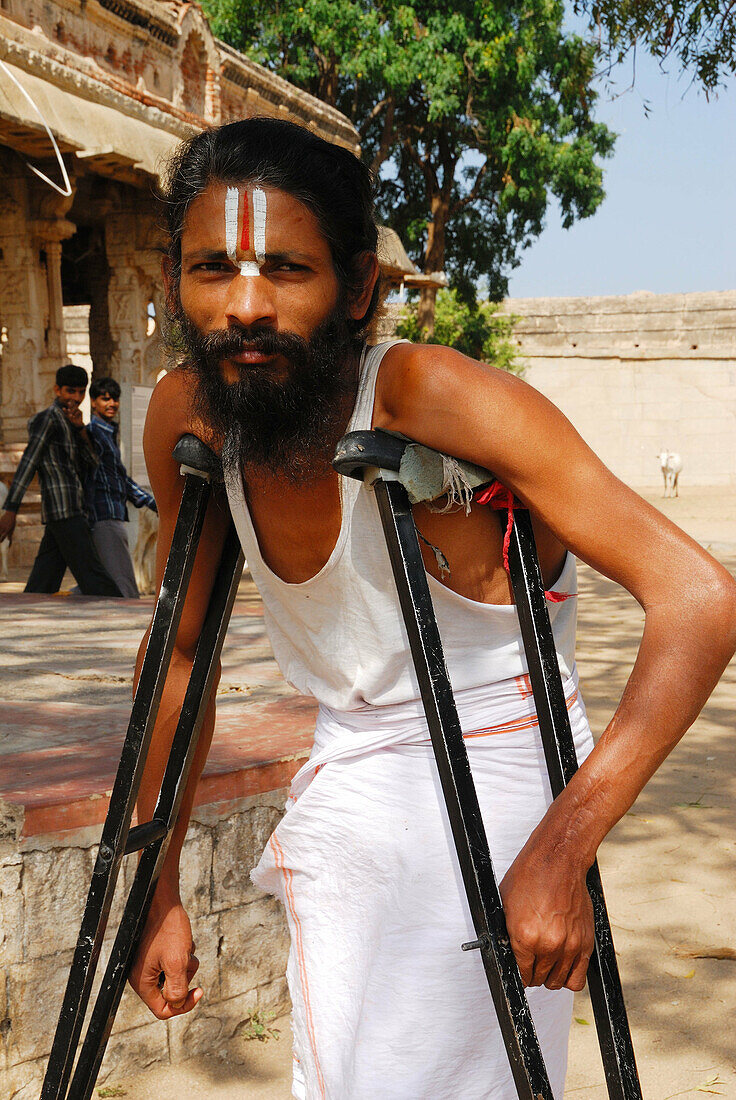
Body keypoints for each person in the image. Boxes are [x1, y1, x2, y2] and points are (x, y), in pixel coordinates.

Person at [128, 119, 736, 1099]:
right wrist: (154, 886)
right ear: (172, 276)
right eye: (211, 269)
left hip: (495, 771)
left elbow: (698, 598)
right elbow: (181, 655)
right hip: (350, 782)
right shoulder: (188, 415)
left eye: (286, 269)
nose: (243, 306)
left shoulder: (428, 394)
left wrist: (563, 844)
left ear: (358, 286)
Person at [0, 364, 122, 597]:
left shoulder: (73, 422)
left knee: (42, 581)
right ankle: (127, 617)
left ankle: (26, 620)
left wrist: (81, 431)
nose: (76, 398)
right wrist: (11, 510)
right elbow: (29, 462)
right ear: (57, 390)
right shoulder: (47, 419)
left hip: (72, 509)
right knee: (93, 575)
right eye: (70, 391)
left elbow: (93, 462)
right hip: (64, 509)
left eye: (80, 392)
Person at [85, 376, 158, 598]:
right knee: (125, 587)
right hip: (103, 514)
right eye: (105, 399)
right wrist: (151, 502)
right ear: (93, 402)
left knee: (106, 582)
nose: (111, 404)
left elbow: (119, 477)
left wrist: (151, 502)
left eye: (114, 399)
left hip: (114, 513)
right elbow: (112, 477)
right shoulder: (94, 433)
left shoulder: (107, 433)